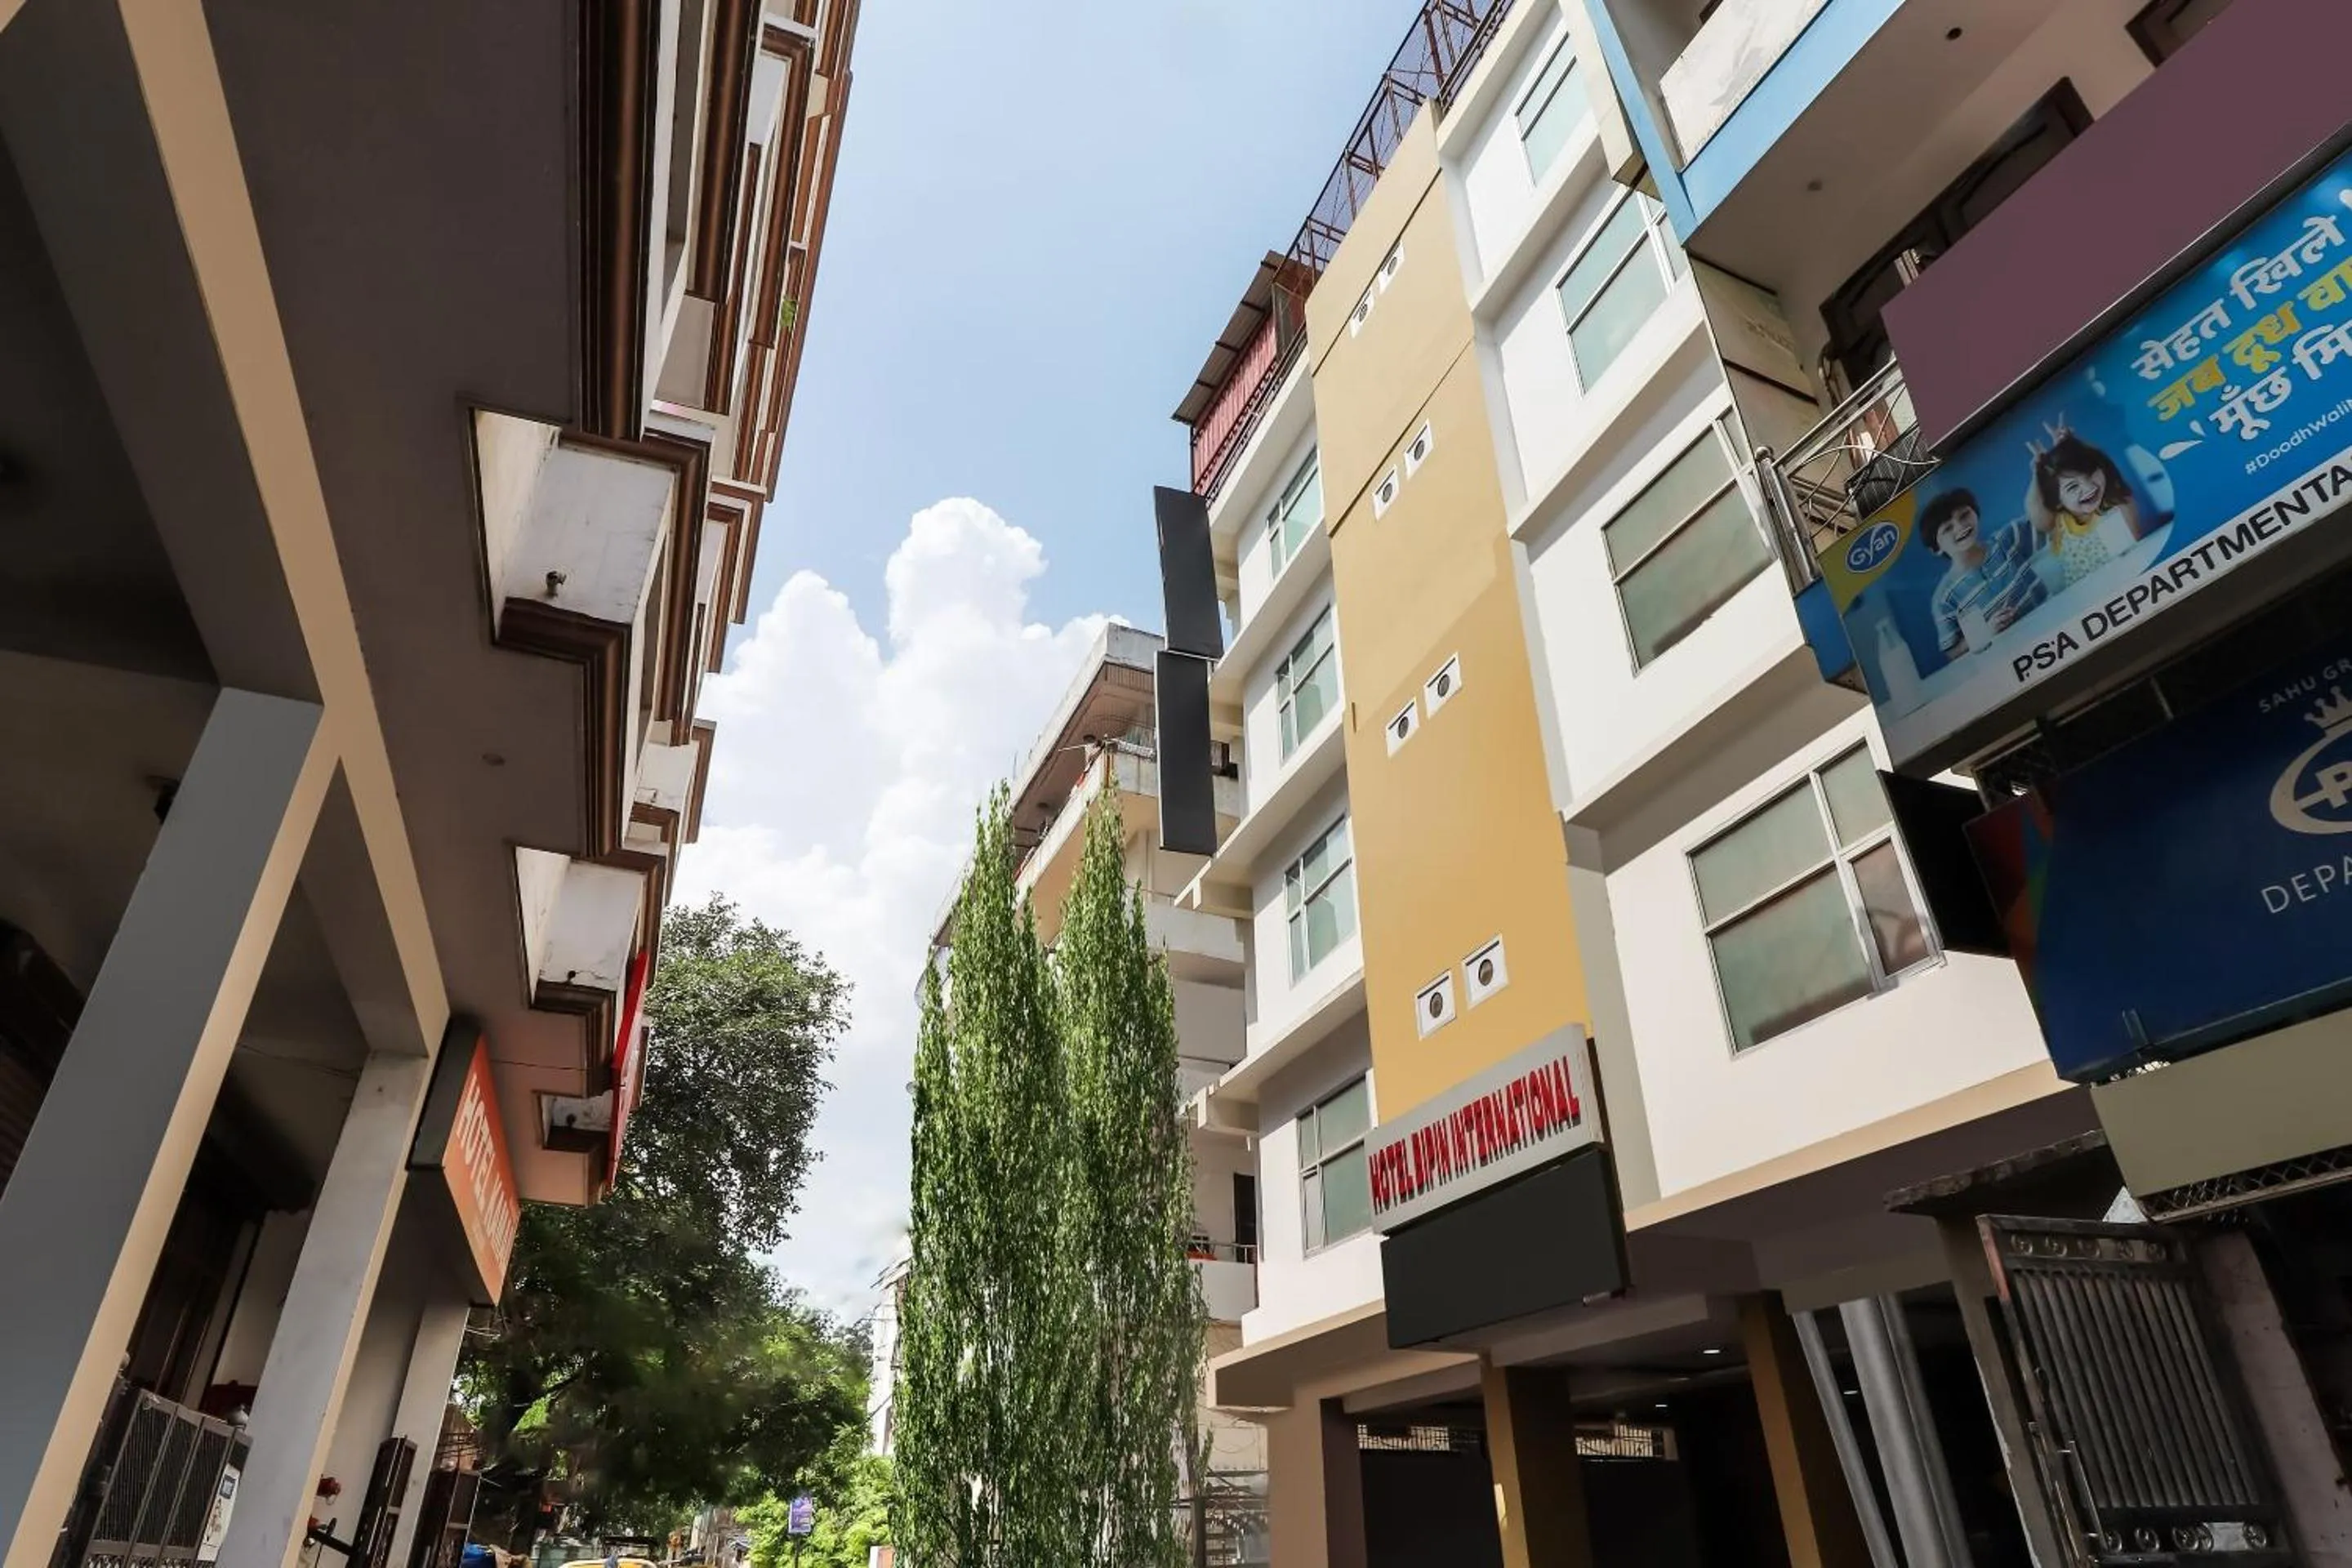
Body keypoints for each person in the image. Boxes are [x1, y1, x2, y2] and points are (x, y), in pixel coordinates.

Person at [1921, 487, 2048, 657]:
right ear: (1936, 548)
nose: (1960, 526)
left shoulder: (2006, 539)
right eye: (1947, 528)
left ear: (1976, 513)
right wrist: (1985, 632)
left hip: (2048, 624)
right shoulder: (1944, 598)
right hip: (2007, 658)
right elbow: (1952, 652)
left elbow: (2045, 522)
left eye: (1964, 515)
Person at [2025, 427, 2141, 586]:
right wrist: (2037, 474)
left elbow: (2105, 465)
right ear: (2057, 501)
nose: (2088, 487)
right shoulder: (2060, 524)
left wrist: (2074, 446)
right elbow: (2036, 516)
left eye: (2090, 473)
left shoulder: (2116, 506)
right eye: (2072, 487)